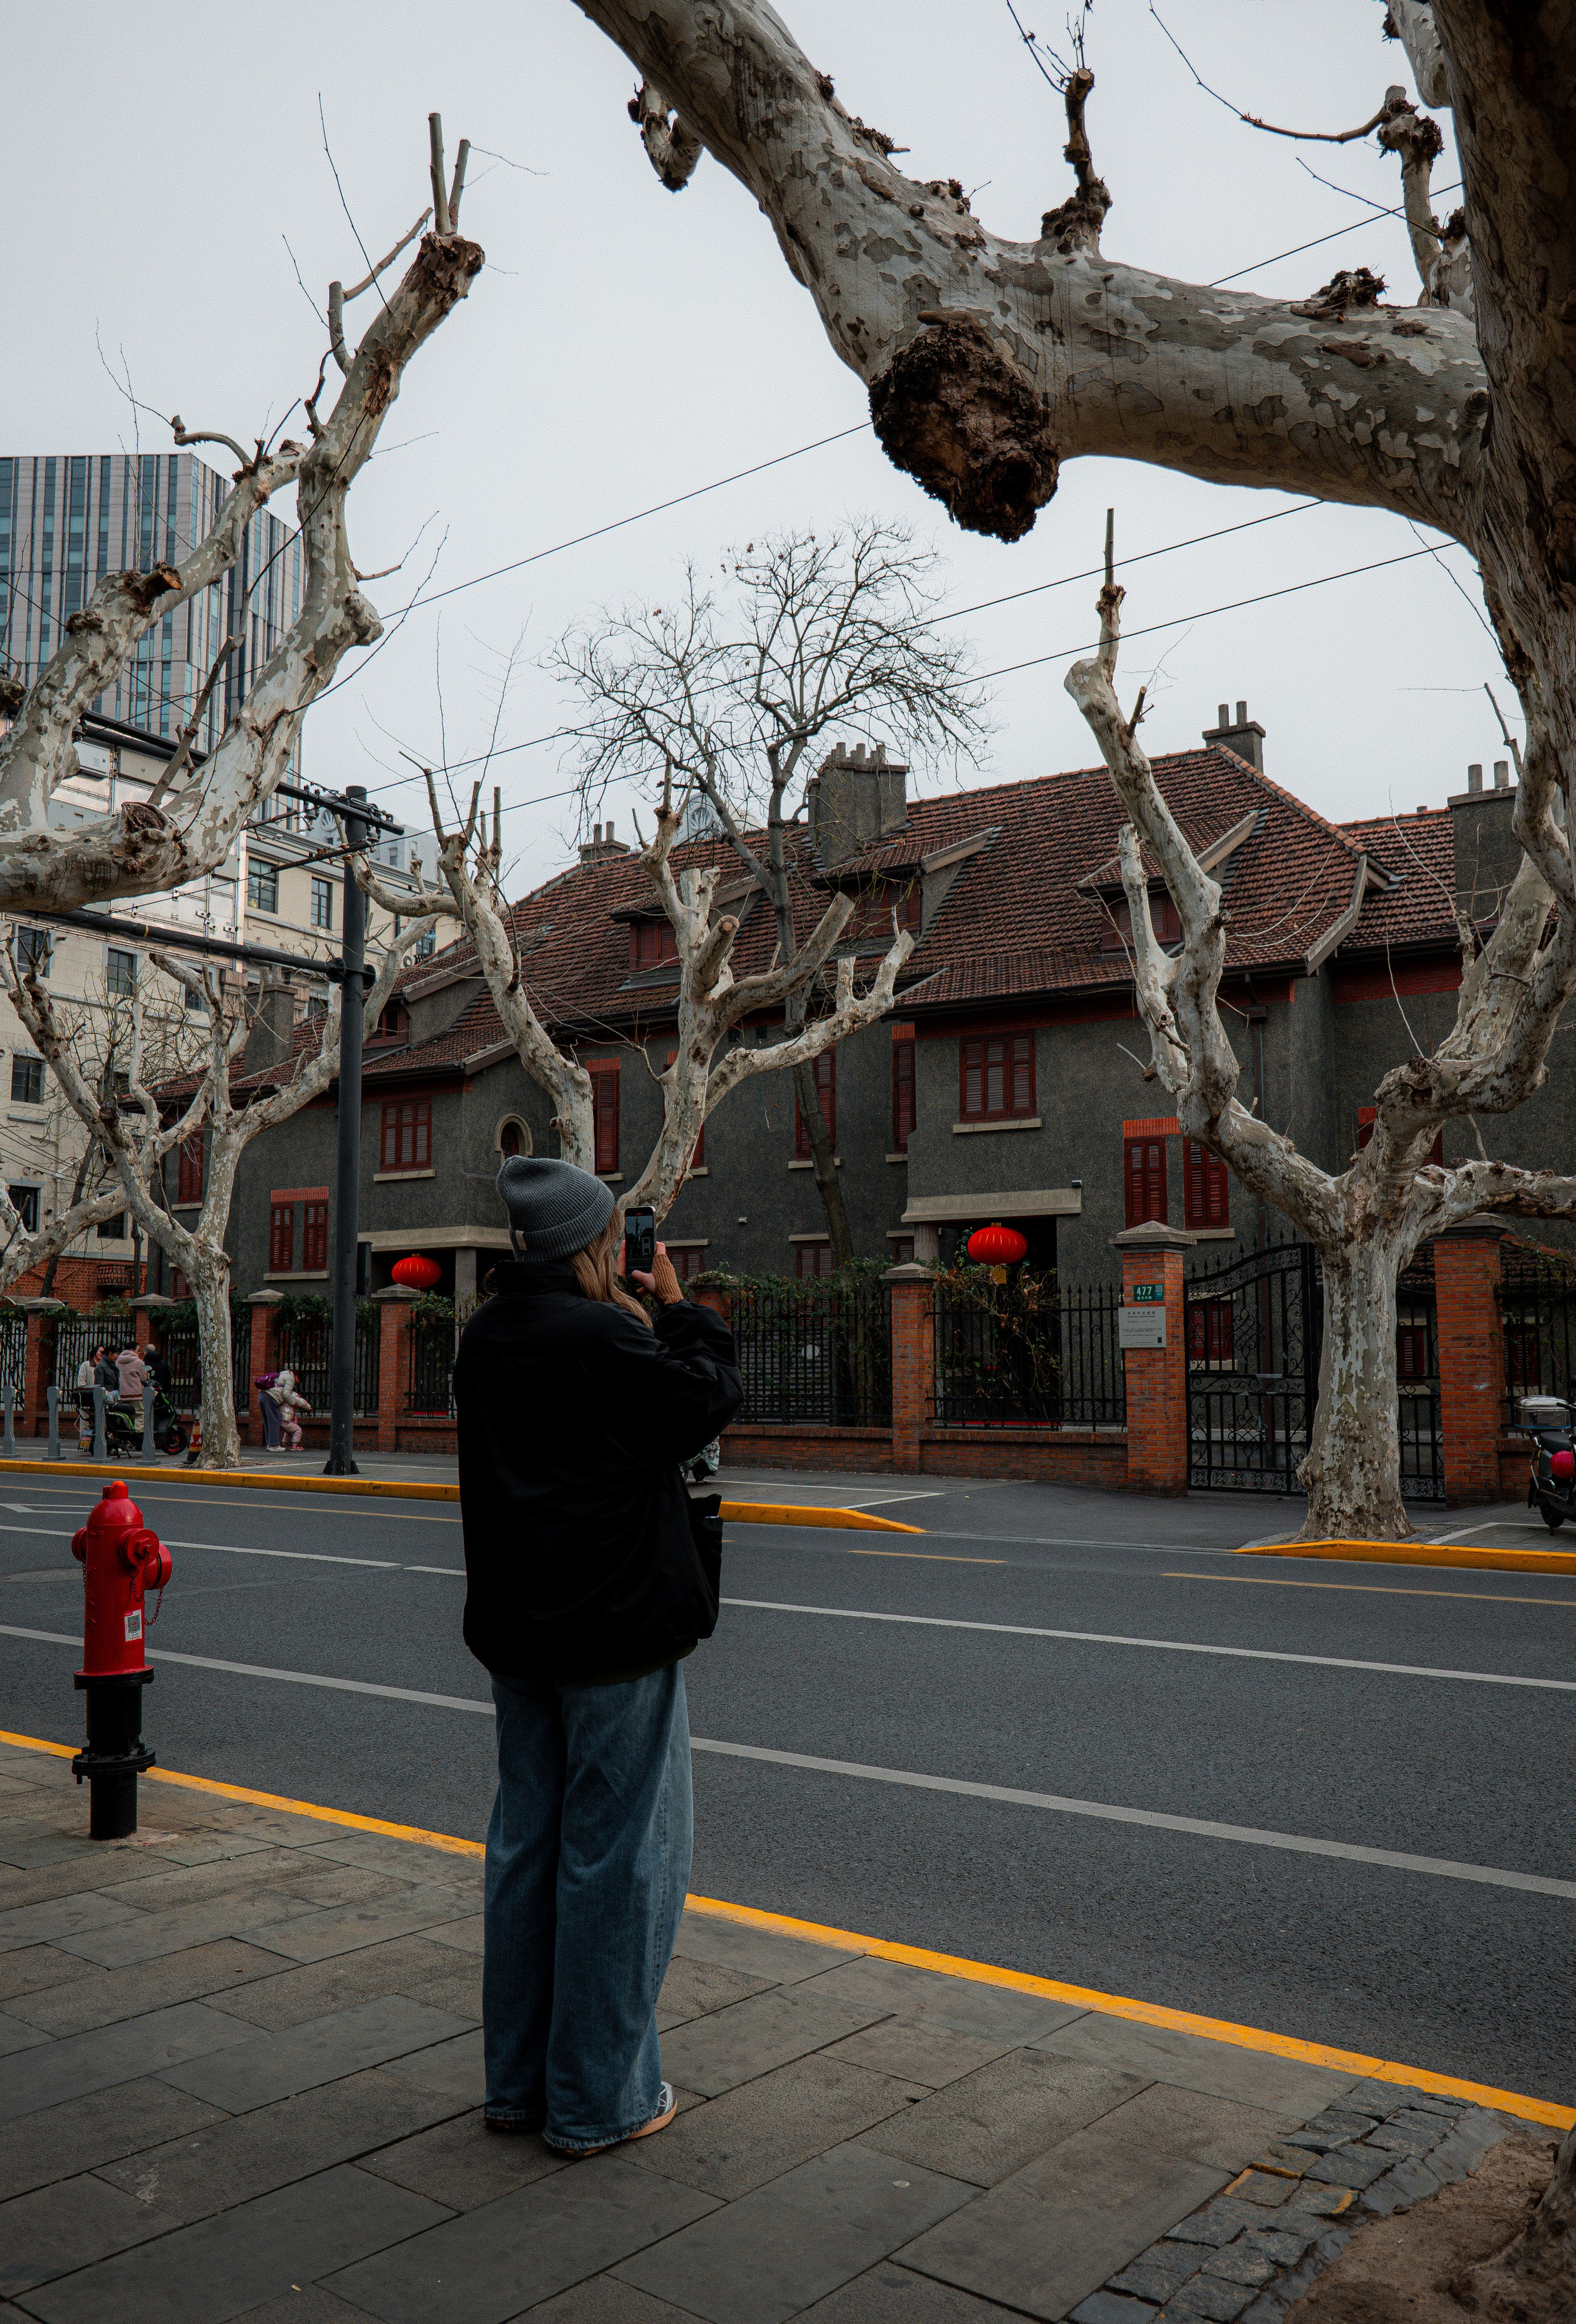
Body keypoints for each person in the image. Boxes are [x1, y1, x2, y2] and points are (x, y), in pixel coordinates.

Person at [455, 1155, 742, 2157]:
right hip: (614, 1636)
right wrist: (683, 1308)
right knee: (617, 1865)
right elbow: (707, 1397)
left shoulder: (486, 1335)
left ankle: (517, 2088)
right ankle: (598, 2102)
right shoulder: (603, 1336)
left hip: (519, 1635)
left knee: (525, 1855)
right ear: (596, 1243)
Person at [275, 1365, 312, 1452]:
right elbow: (302, 1402)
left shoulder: (284, 1398)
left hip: (281, 1418)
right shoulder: (294, 1396)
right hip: (286, 1420)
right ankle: (295, 1445)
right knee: (298, 1429)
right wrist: (309, 1408)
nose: (297, 1383)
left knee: (289, 1431)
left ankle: (284, 1444)